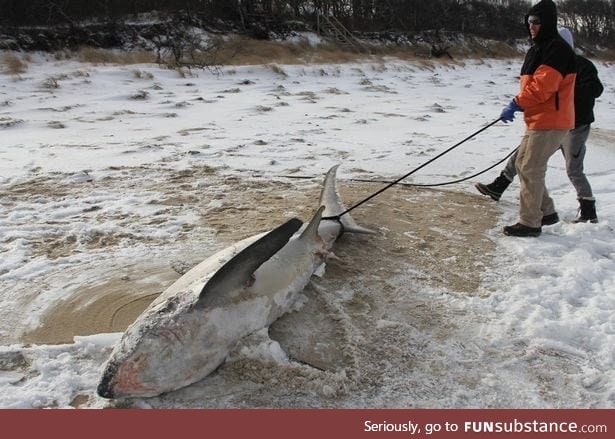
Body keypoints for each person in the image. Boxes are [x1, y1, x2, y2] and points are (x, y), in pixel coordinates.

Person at [476, 27, 604, 225]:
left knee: (572, 169)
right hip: (548, 122)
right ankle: (500, 186)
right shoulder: (547, 61)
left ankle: (588, 210)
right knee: (523, 158)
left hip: (575, 127)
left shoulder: (581, 65)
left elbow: (595, 90)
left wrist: (565, 96)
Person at [486, 0, 577, 237]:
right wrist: (520, 105)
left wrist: (516, 103)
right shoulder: (539, 48)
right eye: (529, 21)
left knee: (531, 168)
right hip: (538, 119)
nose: (532, 26)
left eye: (536, 22)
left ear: (547, 23)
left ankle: (530, 223)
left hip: (551, 121)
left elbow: (542, 88)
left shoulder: (556, 49)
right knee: (522, 165)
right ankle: (547, 213)